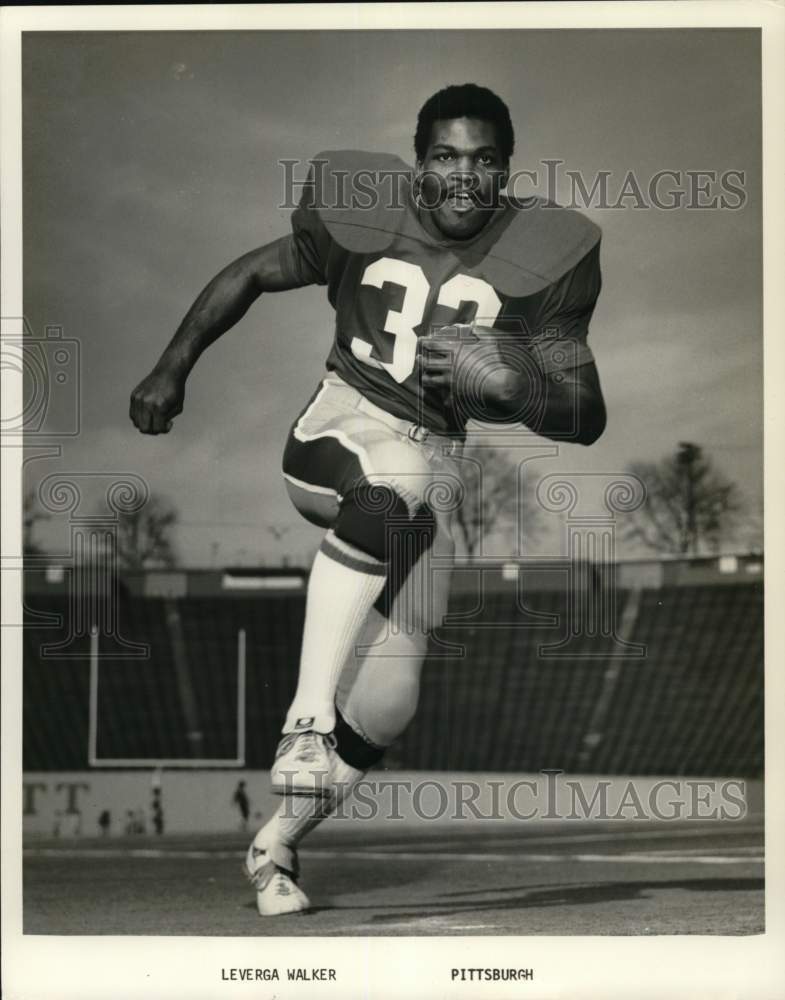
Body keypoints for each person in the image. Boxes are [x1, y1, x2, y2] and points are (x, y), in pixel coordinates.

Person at [130, 83, 606, 915]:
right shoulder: (368, 213)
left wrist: (514, 381)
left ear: (507, 169)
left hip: (437, 466)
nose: (464, 175)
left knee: (389, 704)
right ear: (418, 162)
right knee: (396, 482)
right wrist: (174, 365)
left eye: (484, 160)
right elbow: (251, 270)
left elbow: (586, 414)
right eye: (446, 156)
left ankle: (276, 843)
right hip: (338, 432)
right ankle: (304, 720)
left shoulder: (541, 256)